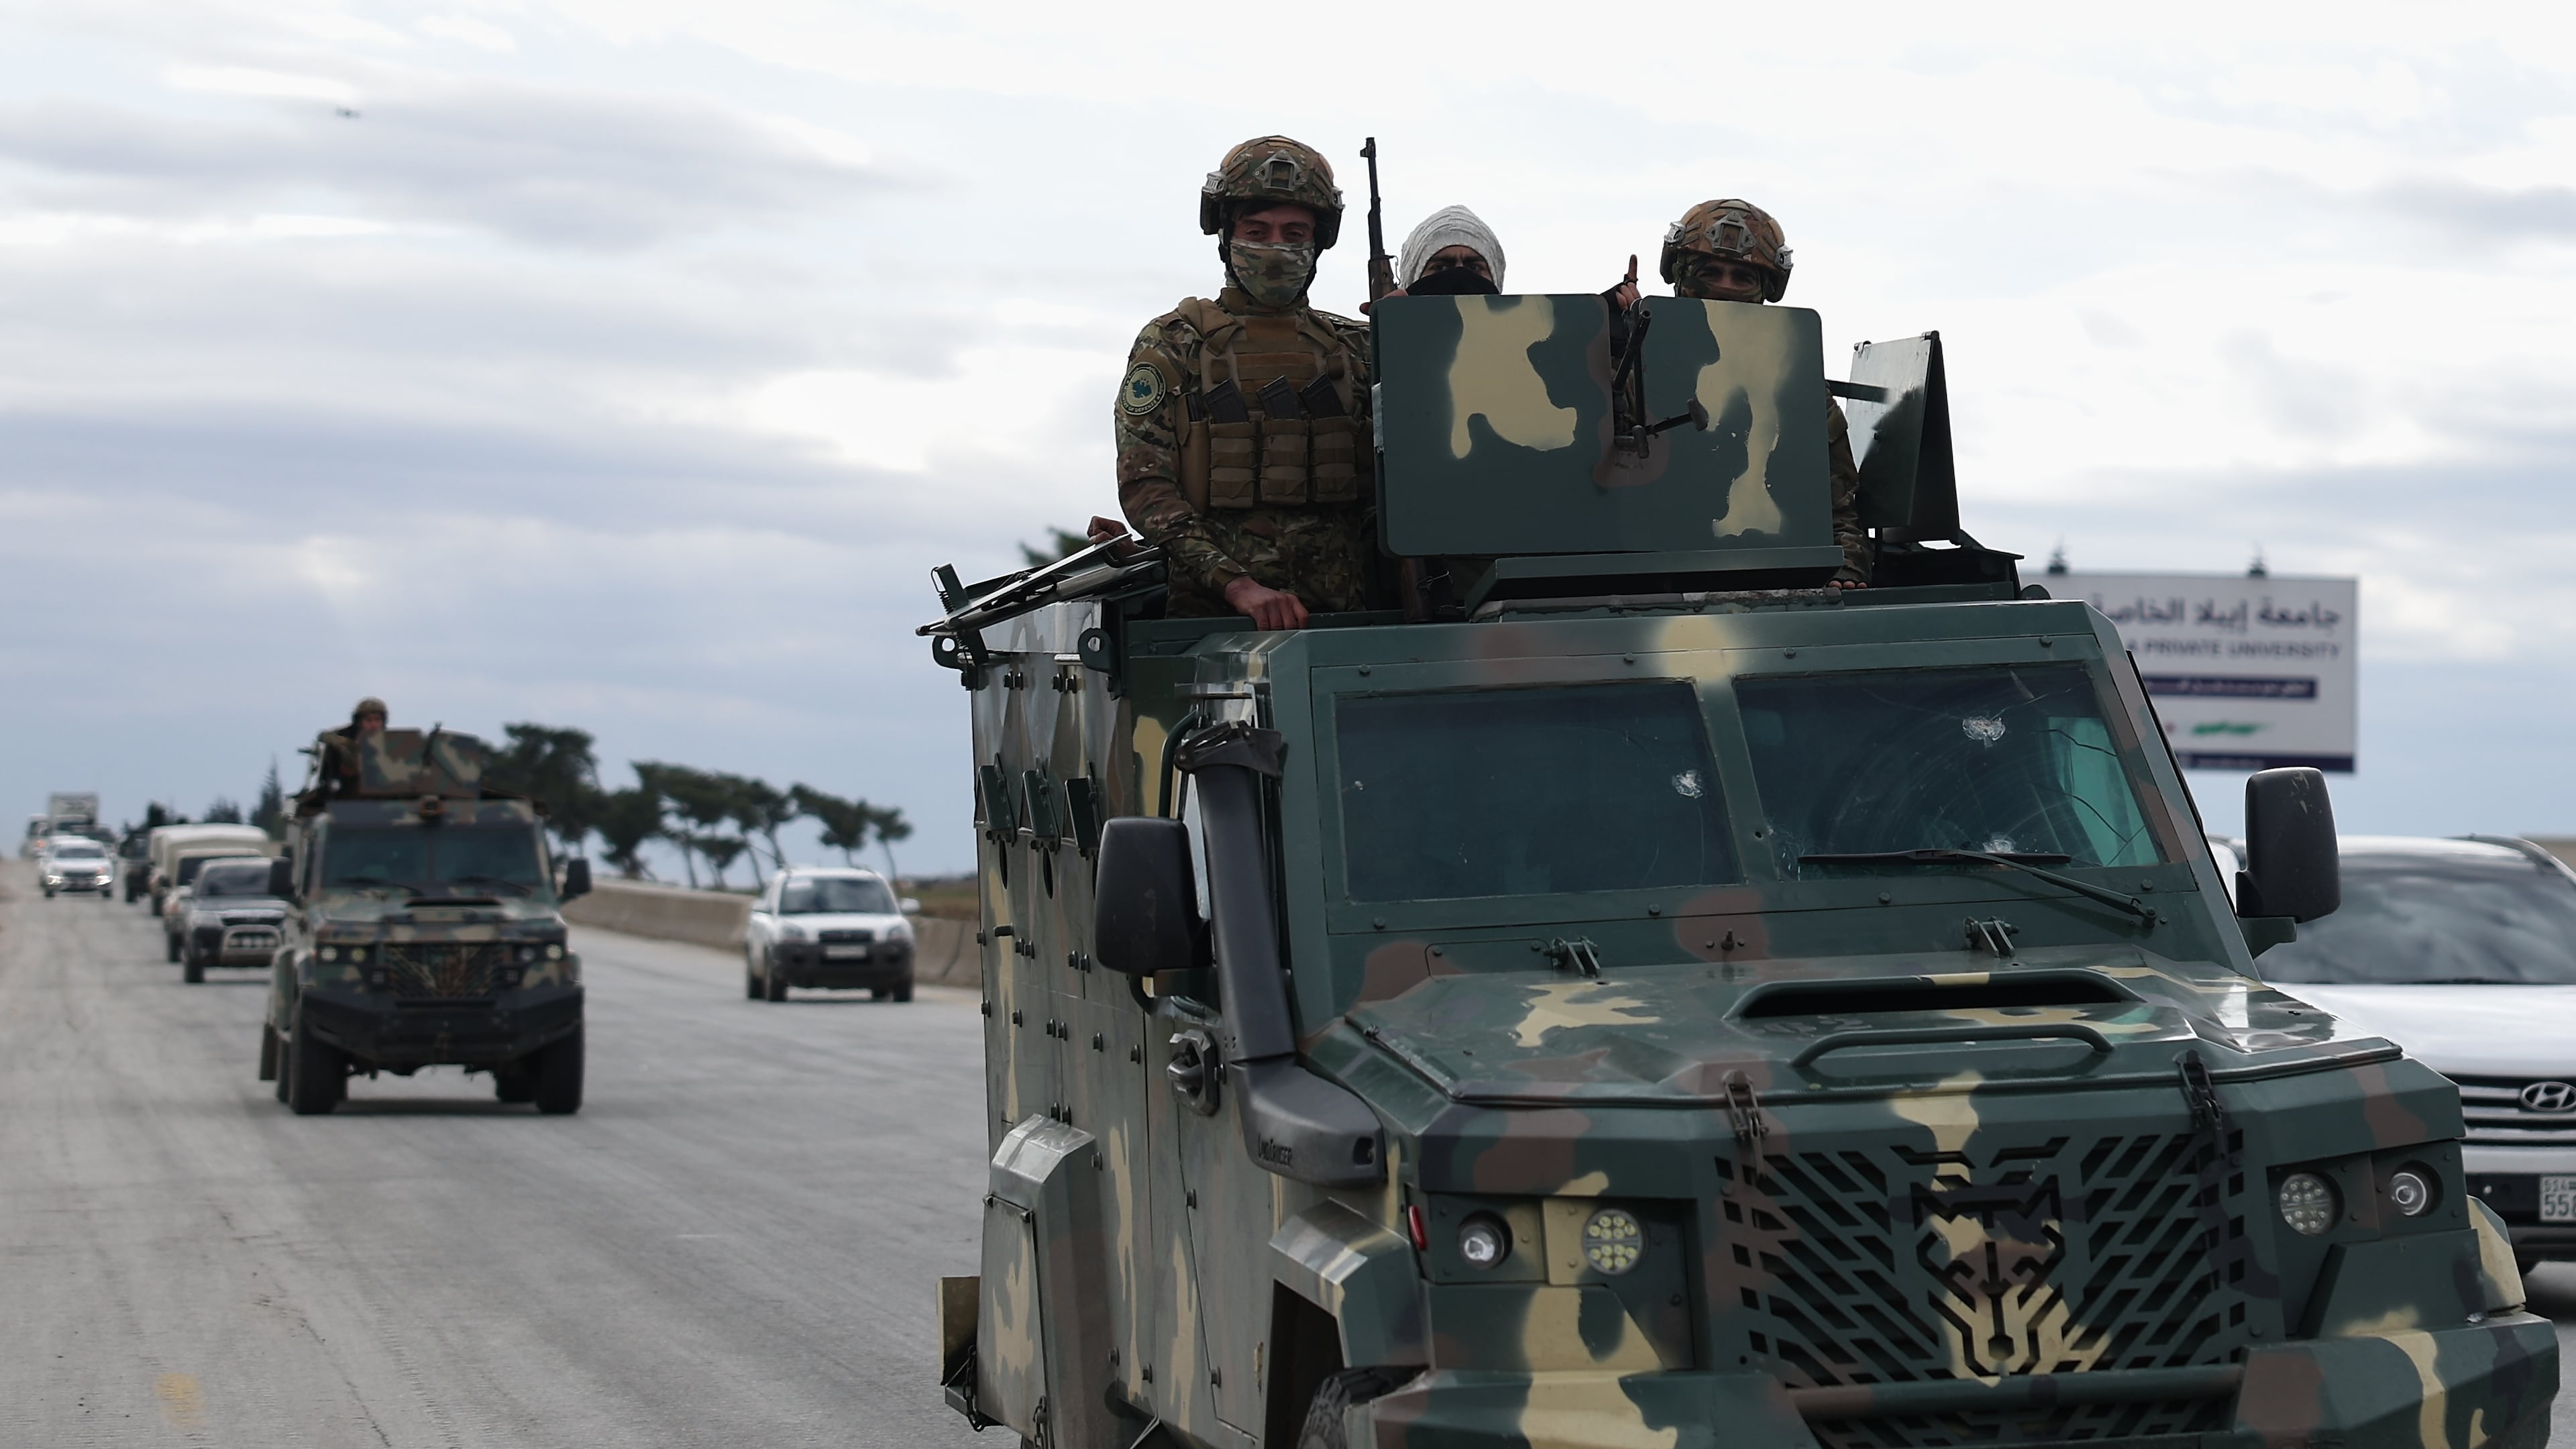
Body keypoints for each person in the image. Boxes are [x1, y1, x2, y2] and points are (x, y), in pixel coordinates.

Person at [1093, 136, 1378, 631]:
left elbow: (1425, 465)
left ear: (1319, 242)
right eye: (1257, 230)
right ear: (1226, 235)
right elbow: (1147, 487)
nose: (1275, 248)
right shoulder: (1177, 344)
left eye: (1294, 233)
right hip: (1211, 622)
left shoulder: (1360, 348)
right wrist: (1236, 585)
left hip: (1346, 621)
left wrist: (1417, 332)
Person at [1658, 199, 1872, 588]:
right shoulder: (1629, 363)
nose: (1724, 287)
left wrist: (1848, 569)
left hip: (1765, 572)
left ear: (1764, 290)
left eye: (1743, 278)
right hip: (1649, 574)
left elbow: (1839, 507)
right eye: (1710, 271)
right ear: (1680, 275)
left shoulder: (1797, 388)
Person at [316, 696, 388, 796]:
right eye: (369, 720)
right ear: (359, 722)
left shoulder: (390, 741)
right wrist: (343, 744)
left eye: (377, 720)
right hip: (344, 790)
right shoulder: (344, 734)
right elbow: (324, 736)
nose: (374, 724)